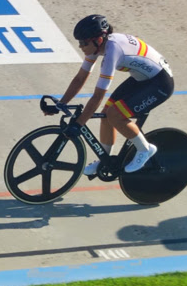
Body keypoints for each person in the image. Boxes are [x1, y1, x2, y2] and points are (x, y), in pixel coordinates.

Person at [45, 14, 174, 175]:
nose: (80, 46)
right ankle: (104, 160)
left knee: (115, 114)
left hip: (160, 84)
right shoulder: (97, 46)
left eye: (83, 43)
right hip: (142, 80)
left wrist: (78, 125)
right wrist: (61, 104)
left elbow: (97, 96)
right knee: (106, 115)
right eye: (80, 42)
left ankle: (145, 149)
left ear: (98, 40)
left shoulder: (113, 51)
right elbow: (80, 78)